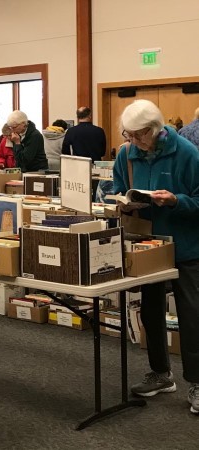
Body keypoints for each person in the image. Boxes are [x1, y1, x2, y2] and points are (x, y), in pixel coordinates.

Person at [111, 100, 199, 414]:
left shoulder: (188, 153)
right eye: (128, 134)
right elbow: (116, 185)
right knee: (150, 311)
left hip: (187, 247)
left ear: (154, 130)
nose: (131, 140)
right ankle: (161, 374)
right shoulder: (126, 154)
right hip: (147, 244)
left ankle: (197, 383)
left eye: (137, 135)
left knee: (192, 315)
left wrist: (177, 201)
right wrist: (124, 202)